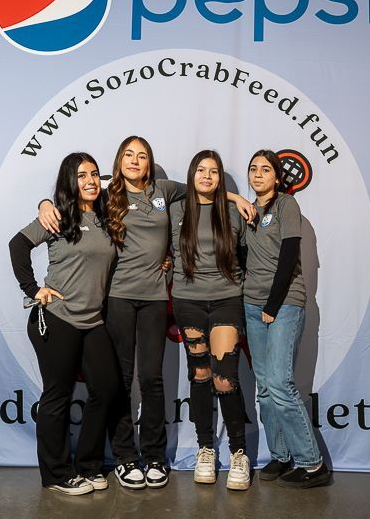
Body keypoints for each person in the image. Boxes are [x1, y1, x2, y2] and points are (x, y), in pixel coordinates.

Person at [38, 138, 255, 490]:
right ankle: (125, 457)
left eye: (142, 155)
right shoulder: (106, 193)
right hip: (118, 298)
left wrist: (236, 198)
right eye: (129, 155)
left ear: (150, 162)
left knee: (152, 378)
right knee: (122, 380)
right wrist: (44, 203)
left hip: (154, 298)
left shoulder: (163, 190)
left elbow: (202, 187)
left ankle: (155, 456)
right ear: (119, 160)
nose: (135, 160)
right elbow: (70, 197)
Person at [8, 152, 119, 496]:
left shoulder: (106, 216)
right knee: (58, 395)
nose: (90, 181)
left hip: (93, 319)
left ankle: (88, 464)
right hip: (58, 318)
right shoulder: (58, 216)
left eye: (94, 174)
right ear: (70, 181)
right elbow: (18, 244)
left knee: (106, 387)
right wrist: (33, 289)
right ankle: (56, 474)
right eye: (82, 175)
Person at [242, 149, 331, 488]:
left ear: (278, 177)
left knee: (280, 383)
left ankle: (313, 463)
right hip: (252, 305)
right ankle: (280, 455)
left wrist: (272, 305)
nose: (258, 174)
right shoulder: (249, 211)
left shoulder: (286, 205)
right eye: (253, 169)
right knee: (265, 388)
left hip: (283, 304)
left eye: (265, 169)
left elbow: (289, 255)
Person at [170, 150, 251, 491]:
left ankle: (238, 452)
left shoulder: (234, 212)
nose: (207, 176)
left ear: (220, 178)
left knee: (224, 377)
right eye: (201, 170)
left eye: (214, 171)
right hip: (187, 301)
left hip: (226, 300)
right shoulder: (175, 209)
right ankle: (205, 448)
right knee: (200, 374)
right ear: (191, 175)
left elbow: (245, 257)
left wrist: (232, 198)